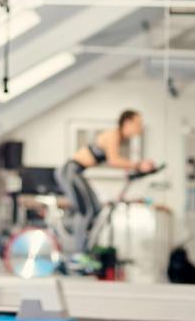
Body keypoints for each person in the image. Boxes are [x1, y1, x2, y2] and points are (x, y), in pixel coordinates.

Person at [54, 109, 154, 254]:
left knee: (96, 209)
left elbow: (118, 162)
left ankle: (84, 246)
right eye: (138, 123)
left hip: (77, 172)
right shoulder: (113, 135)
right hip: (70, 172)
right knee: (86, 212)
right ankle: (77, 253)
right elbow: (114, 160)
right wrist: (139, 165)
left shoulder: (118, 139)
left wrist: (136, 169)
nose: (140, 127)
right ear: (127, 122)